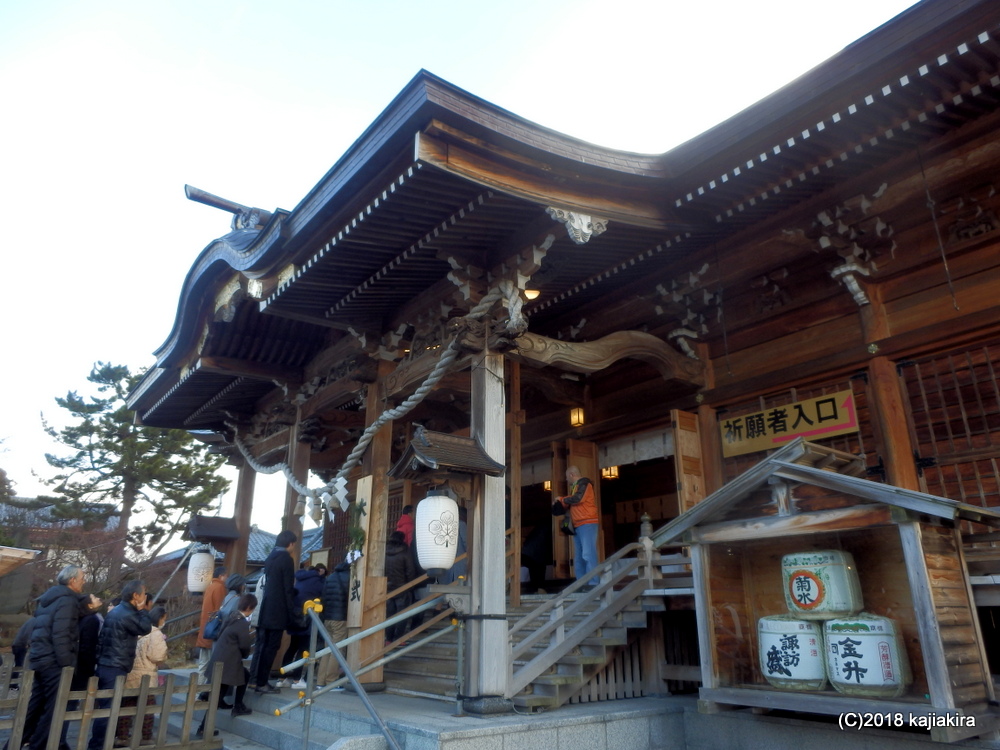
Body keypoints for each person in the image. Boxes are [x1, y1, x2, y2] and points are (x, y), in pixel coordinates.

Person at [13, 565, 88, 750]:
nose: (84, 581)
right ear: (72, 581)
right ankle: (36, 746)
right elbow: (61, 634)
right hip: (54, 662)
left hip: (39, 658)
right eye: (82, 578)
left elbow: (59, 622)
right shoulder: (68, 600)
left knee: (35, 707)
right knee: (53, 711)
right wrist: (67, 664)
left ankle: (12, 744)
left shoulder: (48, 599)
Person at [88, 580, 153, 750]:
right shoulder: (128, 614)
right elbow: (145, 628)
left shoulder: (117, 610)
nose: (145, 596)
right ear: (135, 596)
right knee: (108, 709)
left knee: (107, 707)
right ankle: (97, 745)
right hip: (114, 665)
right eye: (143, 593)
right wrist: (143, 610)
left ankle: (99, 743)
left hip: (106, 663)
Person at [198, 593, 258, 736]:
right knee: (218, 695)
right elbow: (245, 645)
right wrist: (244, 654)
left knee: (243, 676)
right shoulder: (242, 623)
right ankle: (204, 728)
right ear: (250, 607)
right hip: (228, 663)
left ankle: (237, 705)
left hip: (220, 659)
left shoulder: (232, 616)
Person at [251, 530, 297, 692]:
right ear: (291, 544)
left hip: (265, 608)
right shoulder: (286, 559)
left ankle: (256, 680)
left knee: (262, 646)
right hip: (277, 611)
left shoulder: (270, 558)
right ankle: (262, 682)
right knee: (272, 647)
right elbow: (287, 588)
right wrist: (292, 612)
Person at [119, 606, 167, 745]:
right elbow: (157, 656)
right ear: (160, 618)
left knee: (127, 707)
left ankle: (122, 736)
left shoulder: (137, 630)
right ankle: (146, 737)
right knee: (148, 708)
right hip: (146, 674)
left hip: (131, 672)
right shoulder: (155, 633)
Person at [276, 563, 323, 689]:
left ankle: (282, 678)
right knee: (303, 649)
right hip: (306, 618)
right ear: (317, 572)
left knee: (292, 648)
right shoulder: (317, 581)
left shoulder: (299, 579)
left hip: (295, 617)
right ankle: (297, 680)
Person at [559, 466, 600, 587]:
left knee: (588, 553)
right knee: (579, 557)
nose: (567, 480)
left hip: (587, 522)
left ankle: (593, 583)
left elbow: (578, 499)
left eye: (567, 477)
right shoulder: (575, 486)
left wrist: (562, 499)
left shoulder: (585, 484)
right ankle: (581, 584)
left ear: (572, 474)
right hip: (578, 524)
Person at [316, 554, 350, 688]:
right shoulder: (349, 577)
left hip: (328, 618)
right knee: (337, 650)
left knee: (327, 650)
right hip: (340, 617)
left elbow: (323, 597)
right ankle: (331, 681)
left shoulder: (330, 577)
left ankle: (320, 681)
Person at [195, 566, 227, 685]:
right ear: (221, 576)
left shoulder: (210, 586)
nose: (226, 578)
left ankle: (197, 691)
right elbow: (220, 609)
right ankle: (202, 692)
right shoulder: (220, 587)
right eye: (226, 576)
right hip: (213, 630)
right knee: (211, 665)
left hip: (205, 629)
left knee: (203, 664)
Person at [384, 530, 415, 645]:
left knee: (390, 614)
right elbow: (410, 570)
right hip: (402, 588)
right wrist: (410, 585)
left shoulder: (384, 551)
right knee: (402, 614)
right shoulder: (405, 551)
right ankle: (398, 638)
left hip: (388, 588)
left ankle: (388, 638)